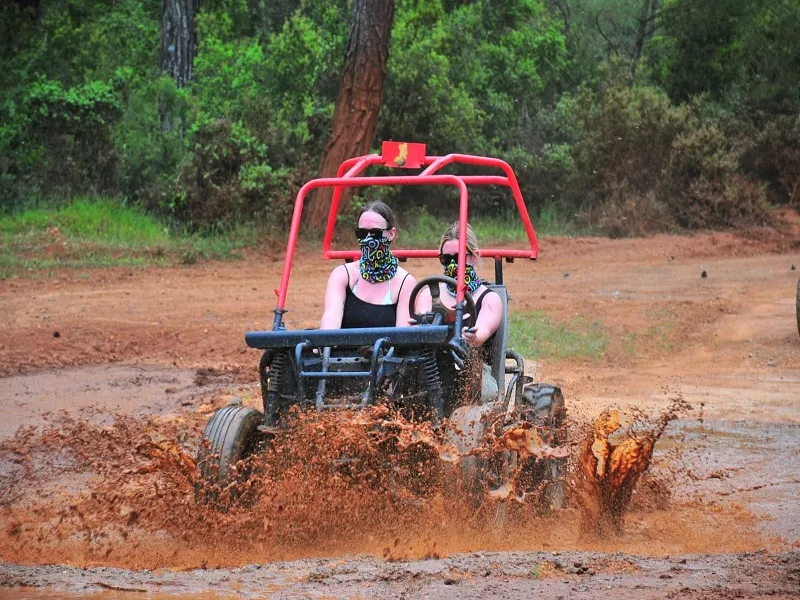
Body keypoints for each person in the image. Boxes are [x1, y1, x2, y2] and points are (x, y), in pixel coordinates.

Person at [414, 221, 502, 404]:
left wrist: (472, 336)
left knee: (482, 390)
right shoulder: (428, 294)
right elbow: (418, 332)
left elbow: (482, 331)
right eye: (446, 259)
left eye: (459, 257)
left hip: (470, 368)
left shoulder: (489, 299)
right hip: (430, 368)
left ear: (474, 257)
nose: (452, 264)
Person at [320, 201, 416, 329]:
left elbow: (402, 336)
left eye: (375, 233)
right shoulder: (343, 275)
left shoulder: (405, 283)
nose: (367, 239)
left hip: (387, 349)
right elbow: (331, 320)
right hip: (344, 348)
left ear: (391, 234)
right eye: (362, 233)